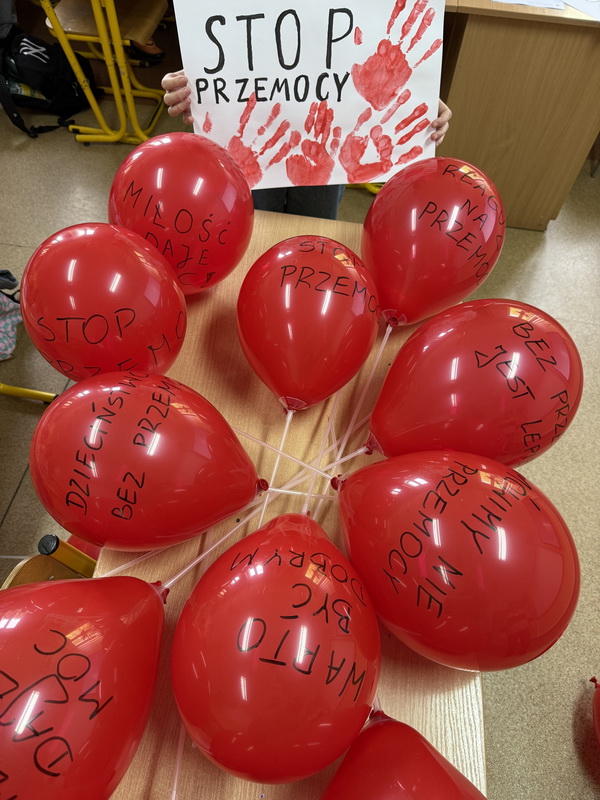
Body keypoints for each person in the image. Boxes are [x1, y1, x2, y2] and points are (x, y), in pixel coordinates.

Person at [161, 69, 452, 220]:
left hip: (329, 117)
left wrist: (417, 96)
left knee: (313, 224)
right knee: (251, 219)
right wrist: (195, 80)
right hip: (248, 109)